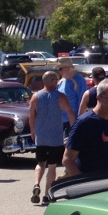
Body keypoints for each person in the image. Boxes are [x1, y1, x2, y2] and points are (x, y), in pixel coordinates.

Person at [29, 70, 74, 203]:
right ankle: (47, 195)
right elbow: (70, 114)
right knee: (52, 166)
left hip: (41, 136)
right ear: (52, 81)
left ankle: (36, 183)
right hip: (55, 137)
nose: (57, 81)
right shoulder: (61, 97)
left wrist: (32, 131)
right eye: (56, 79)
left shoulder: (35, 97)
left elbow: (32, 117)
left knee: (40, 163)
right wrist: (74, 130)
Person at [64, 79, 108, 177]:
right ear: (98, 97)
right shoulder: (84, 123)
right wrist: (84, 183)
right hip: (92, 187)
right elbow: (68, 160)